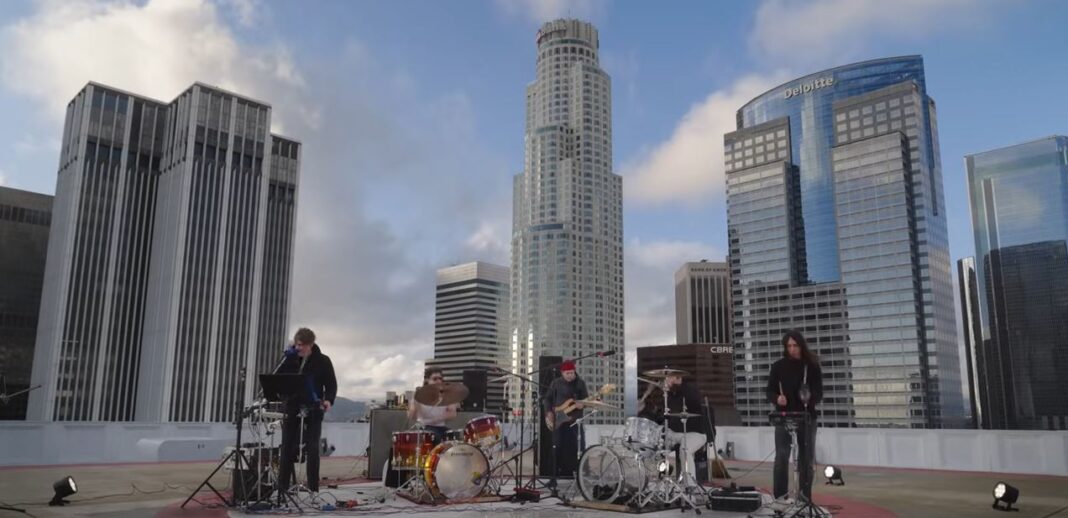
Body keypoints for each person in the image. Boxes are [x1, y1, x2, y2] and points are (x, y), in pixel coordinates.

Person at [277, 327, 337, 496]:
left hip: (313, 408)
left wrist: (328, 400)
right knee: (287, 447)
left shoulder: (323, 361)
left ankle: (313, 489)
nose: (298, 348)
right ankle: (283, 488)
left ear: (310, 345)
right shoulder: (290, 359)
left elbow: (331, 385)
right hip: (292, 407)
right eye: (296, 345)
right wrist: (287, 359)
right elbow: (279, 378)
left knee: (312, 449)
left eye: (301, 345)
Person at [766, 330, 823, 501]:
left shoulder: (811, 366)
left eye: (795, 345)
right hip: (783, 416)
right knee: (781, 457)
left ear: (801, 345)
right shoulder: (778, 366)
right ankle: (780, 498)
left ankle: (804, 498)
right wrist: (777, 398)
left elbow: (819, 393)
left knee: (806, 459)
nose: (792, 349)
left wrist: (809, 397)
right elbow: (769, 390)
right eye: (789, 346)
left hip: (806, 417)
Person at [542, 360, 589, 478]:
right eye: (567, 373)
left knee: (579, 447)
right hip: (558, 420)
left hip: (575, 421)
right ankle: (553, 476)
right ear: (562, 373)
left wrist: (583, 404)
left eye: (572, 373)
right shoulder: (556, 383)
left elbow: (586, 400)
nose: (570, 375)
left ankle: (581, 475)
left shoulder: (580, 384)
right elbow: (547, 399)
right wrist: (548, 412)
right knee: (556, 447)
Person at [407, 367, 458, 444]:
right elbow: (411, 416)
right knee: (435, 437)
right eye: (435, 379)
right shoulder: (420, 395)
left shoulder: (446, 395)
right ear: (427, 380)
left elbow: (453, 414)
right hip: (425, 427)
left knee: (456, 437)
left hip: (441, 427)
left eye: (440, 379)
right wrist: (414, 402)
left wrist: (435, 419)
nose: (438, 381)